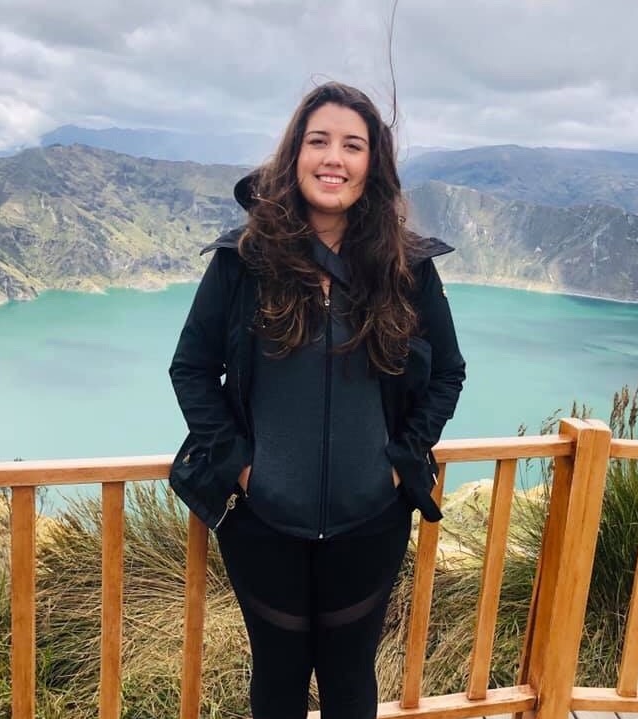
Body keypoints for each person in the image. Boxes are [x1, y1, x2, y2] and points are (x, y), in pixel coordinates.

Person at [169, 81, 465, 719]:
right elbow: (191, 369)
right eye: (319, 141)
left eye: (353, 145)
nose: (334, 158)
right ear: (294, 155)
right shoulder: (243, 261)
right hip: (263, 520)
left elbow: (449, 373)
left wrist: (400, 461)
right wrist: (242, 467)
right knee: (278, 675)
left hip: (371, 519)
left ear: (372, 165)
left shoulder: (406, 268)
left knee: (350, 676)